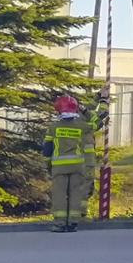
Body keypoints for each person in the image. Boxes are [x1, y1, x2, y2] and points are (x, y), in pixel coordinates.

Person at [44, 93, 102, 233]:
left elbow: (47, 150)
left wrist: (48, 166)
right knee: (76, 193)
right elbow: (98, 122)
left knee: (60, 194)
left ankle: (60, 223)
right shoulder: (81, 126)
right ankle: (73, 223)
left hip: (59, 167)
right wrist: (84, 110)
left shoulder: (54, 127)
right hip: (78, 166)